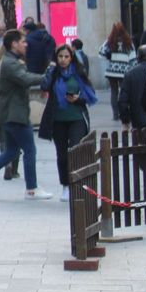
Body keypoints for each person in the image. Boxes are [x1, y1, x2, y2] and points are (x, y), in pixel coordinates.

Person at [0, 31, 50, 200]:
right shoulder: (10, 63)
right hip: (15, 113)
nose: (26, 44)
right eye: (23, 41)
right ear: (14, 44)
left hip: (10, 112)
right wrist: (46, 76)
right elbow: (25, 79)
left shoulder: (10, 60)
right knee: (29, 149)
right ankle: (32, 189)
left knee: (12, 151)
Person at [40, 44, 97, 201]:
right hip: (57, 119)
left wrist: (77, 99)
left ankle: (76, 183)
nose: (63, 60)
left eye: (66, 57)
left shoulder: (78, 73)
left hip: (77, 118)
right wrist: (51, 69)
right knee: (62, 155)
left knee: (75, 150)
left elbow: (90, 95)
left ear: (71, 58)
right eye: (60, 56)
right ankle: (65, 185)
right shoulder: (54, 73)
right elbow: (44, 86)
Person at [99, 21, 136, 110]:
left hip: (112, 71)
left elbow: (101, 52)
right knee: (123, 92)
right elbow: (133, 57)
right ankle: (123, 111)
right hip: (124, 71)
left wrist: (109, 57)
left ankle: (115, 114)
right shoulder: (128, 41)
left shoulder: (110, 41)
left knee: (114, 92)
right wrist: (133, 69)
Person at [120, 44, 146, 128]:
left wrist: (125, 119)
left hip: (137, 121)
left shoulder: (130, 74)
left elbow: (123, 100)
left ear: (137, 57)